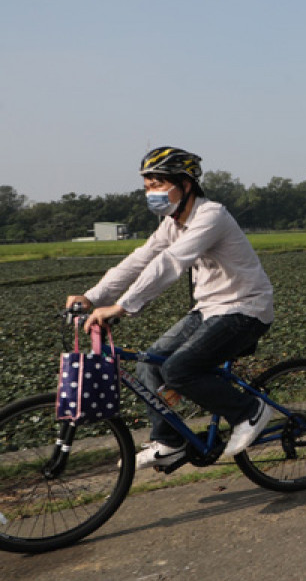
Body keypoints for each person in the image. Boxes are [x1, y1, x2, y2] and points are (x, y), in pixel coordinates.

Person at [65, 147, 275, 470]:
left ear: (186, 184)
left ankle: (249, 410)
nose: (152, 193)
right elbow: (141, 259)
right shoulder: (171, 223)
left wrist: (121, 307)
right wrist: (92, 297)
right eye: (148, 186)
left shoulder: (211, 216)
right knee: (149, 363)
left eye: (159, 184)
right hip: (208, 310)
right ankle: (169, 442)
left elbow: (170, 263)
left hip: (245, 309)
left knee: (179, 369)